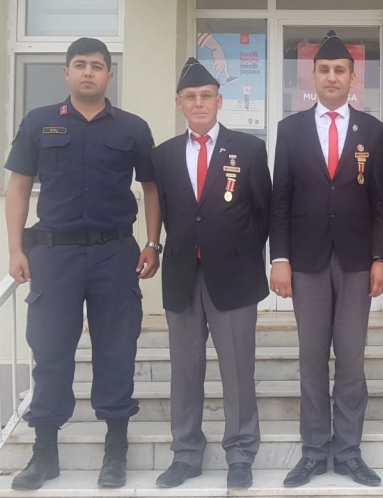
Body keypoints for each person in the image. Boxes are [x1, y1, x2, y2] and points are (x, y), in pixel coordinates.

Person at [3, 37, 160, 490]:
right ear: (67, 73)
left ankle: (116, 451)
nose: (88, 72)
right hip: (55, 254)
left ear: (110, 74)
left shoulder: (132, 128)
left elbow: (152, 187)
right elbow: (18, 186)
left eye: (96, 65)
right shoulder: (39, 122)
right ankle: (44, 454)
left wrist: (153, 243)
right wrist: (15, 249)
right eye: (79, 64)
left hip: (115, 253)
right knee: (51, 351)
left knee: (117, 350)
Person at [268, 30, 383, 488]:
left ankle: (349, 452)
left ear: (353, 78)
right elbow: (281, 200)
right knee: (312, 359)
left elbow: (380, 202)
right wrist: (280, 257)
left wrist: (380, 257)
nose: (332, 76)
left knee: (352, 360)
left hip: (357, 261)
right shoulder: (291, 129)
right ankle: (315, 452)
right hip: (307, 259)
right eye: (324, 69)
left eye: (340, 70)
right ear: (313, 77)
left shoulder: (372, 130)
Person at [150, 58, 271, 490]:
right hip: (183, 273)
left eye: (206, 96)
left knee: (237, 370)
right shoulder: (163, 155)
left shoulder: (249, 149)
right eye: (191, 97)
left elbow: (263, 212)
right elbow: (166, 210)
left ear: (220, 101)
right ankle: (186, 454)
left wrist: (236, 249)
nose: (199, 103)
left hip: (234, 275)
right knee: (185, 369)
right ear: (179, 104)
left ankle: (240, 454)